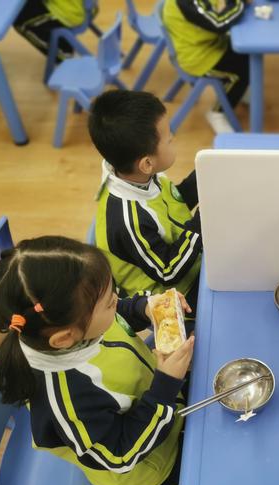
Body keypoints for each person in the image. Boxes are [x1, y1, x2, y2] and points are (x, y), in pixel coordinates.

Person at [0, 236, 195, 485]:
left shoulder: (74, 324)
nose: (116, 300)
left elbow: (116, 314)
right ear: (65, 338)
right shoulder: (68, 402)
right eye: (109, 302)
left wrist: (144, 307)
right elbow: (121, 455)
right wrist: (165, 386)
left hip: (163, 401)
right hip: (151, 463)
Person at [88, 90, 202, 316]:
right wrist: (201, 223)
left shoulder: (138, 175)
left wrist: (204, 177)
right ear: (147, 163)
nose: (173, 136)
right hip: (176, 296)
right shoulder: (129, 221)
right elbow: (168, 271)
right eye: (169, 139)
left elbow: (174, 202)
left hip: (189, 255)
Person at [162, 0, 249, 134]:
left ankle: (238, 93)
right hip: (199, 58)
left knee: (245, 54)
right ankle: (217, 113)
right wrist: (238, 3)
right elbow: (218, 23)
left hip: (209, 44)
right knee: (241, 73)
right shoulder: (185, 3)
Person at [13, 0, 95, 62]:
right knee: (22, 7)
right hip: (84, 7)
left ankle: (64, 53)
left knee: (18, 18)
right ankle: (64, 46)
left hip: (70, 12)